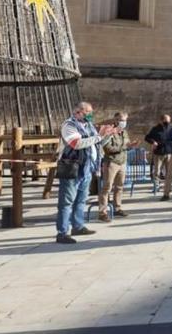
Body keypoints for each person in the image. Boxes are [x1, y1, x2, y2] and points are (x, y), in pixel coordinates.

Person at [55, 102, 117, 244]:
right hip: (72, 168)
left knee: (81, 199)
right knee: (66, 201)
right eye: (87, 112)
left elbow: (97, 143)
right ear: (78, 112)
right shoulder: (69, 125)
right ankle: (62, 232)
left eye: (91, 112)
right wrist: (99, 136)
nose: (90, 114)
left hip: (87, 168)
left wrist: (108, 135)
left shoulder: (88, 125)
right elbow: (76, 144)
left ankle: (78, 226)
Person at [99, 112, 138, 222]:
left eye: (125, 120)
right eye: (121, 120)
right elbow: (107, 148)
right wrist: (124, 147)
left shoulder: (124, 132)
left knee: (119, 187)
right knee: (107, 187)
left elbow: (127, 144)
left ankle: (117, 208)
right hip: (111, 162)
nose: (123, 122)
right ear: (115, 120)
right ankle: (102, 212)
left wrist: (131, 145)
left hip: (122, 162)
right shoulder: (109, 131)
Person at [144, 114, 170, 182]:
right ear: (162, 120)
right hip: (159, 152)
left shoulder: (170, 128)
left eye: (169, 120)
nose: (168, 122)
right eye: (166, 120)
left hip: (169, 152)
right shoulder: (155, 129)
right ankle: (156, 186)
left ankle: (168, 186)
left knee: (169, 171)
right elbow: (147, 138)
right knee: (157, 171)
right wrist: (153, 142)